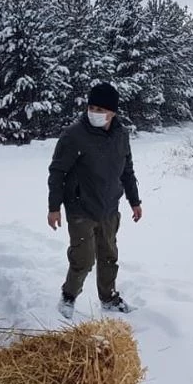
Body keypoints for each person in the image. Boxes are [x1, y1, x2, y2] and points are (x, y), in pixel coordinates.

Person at [47, 82, 142, 319]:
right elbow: (57, 171)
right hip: (81, 207)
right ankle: (68, 296)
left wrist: (134, 200)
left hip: (109, 206)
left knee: (109, 255)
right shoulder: (74, 135)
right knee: (83, 258)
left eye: (101, 110)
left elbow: (126, 170)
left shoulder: (121, 135)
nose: (95, 113)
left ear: (113, 112)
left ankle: (109, 298)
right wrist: (54, 207)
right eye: (92, 107)